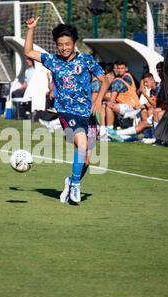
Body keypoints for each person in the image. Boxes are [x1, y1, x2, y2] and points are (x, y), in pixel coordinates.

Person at [24, 17, 110, 204]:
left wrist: (98, 100)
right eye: (60, 45)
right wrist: (31, 29)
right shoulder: (53, 61)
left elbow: (105, 80)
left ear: (74, 43)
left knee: (86, 160)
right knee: (82, 145)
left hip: (87, 113)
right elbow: (29, 51)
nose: (64, 48)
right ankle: (76, 186)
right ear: (56, 45)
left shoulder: (87, 60)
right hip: (67, 113)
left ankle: (71, 181)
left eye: (67, 44)